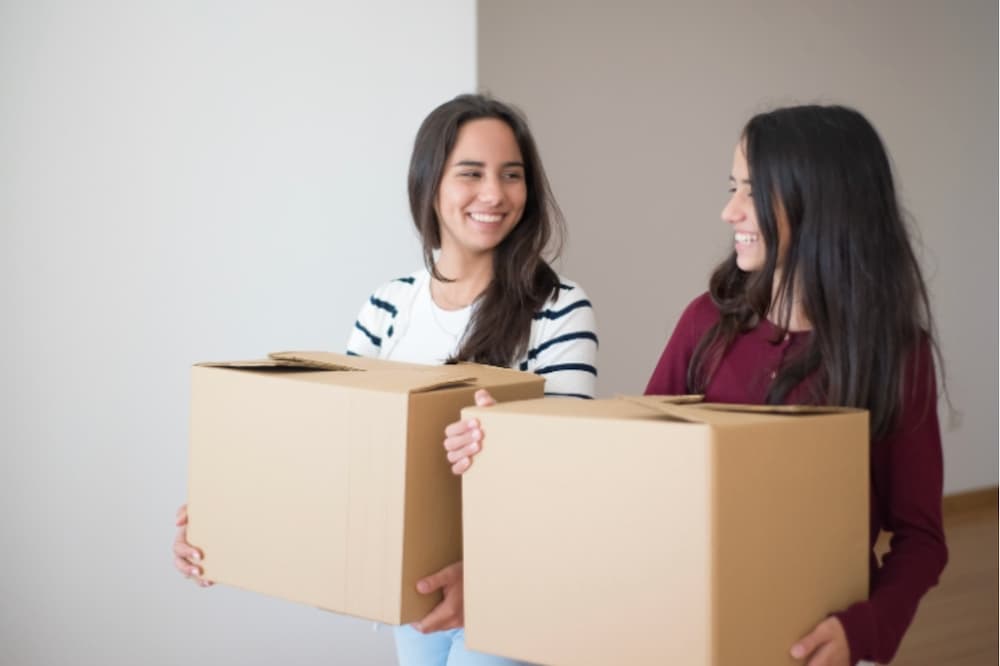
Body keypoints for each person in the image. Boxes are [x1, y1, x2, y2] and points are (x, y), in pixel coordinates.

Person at [446, 105, 946, 666]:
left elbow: (921, 539)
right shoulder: (707, 323)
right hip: (685, 623)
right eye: (733, 187)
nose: (729, 210)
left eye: (752, 192)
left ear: (820, 201)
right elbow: (629, 457)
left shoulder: (896, 355)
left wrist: (863, 630)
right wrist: (511, 434)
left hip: (812, 641)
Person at [173, 93, 598, 666]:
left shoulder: (558, 307)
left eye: (512, 175)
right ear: (431, 185)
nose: (495, 194)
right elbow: (336, 451)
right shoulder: (388, 305)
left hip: (509, 595)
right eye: (471, 174)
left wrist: (509, 448)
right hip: (412, 598)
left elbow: (574, 470)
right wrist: (224, 515)